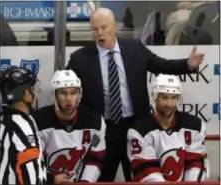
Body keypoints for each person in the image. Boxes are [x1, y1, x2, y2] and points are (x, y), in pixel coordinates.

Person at [66, 7, 205, 182]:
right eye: (95, 29)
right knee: (102, 179)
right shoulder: (80, 58)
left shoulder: (135, 48)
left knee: (139, 178)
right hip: (102, 130)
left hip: (136, 127)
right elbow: (66, 89)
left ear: (114, 26)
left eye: (104, 27)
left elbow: (161, 66)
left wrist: (188, 64)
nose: (100, 33)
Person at [0, 67, 74, 185]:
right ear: (27, 94)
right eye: (32, 89)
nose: (35, 93)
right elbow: (28, 172)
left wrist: (51, 179)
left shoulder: (4, 120)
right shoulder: (22, 125)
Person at [127, 74, 208, 182]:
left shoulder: (195, 126)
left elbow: (196, 163)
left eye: (174, 97)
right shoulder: (139, 131)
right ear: (155, 97)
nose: (169, 104)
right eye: (164, 97)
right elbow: (146, 171)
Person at [33, 69, 106, 182]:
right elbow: (32, 162)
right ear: (54, 95)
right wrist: (51, 180)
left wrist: (84, 182)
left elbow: (95, 159)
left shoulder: (95, 121)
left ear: (79, 94)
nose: (69, 99)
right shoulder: (37, 122)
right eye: (63, 93)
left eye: (73, 93)